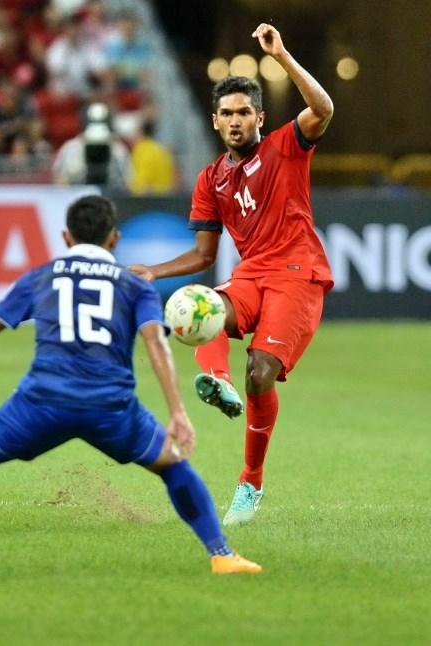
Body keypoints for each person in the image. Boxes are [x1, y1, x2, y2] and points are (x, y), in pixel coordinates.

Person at [0, 195, 261, 577]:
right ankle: (222, 555)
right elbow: (156, 342)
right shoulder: (134, 286)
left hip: (40, 404)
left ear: (66, 238)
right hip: (111, 408)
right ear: (114, 239)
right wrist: (177, 411)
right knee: (174, 467)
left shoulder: (41, 278)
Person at [129, 24, 334, 526]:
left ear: (260, 118)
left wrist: (282, 55)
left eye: (245, 112)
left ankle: (250, 484)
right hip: (251, 274)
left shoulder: (286, 147)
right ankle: (217, 382)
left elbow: (324, 109)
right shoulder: (211, 178)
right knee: (201, 304)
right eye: (228, 113)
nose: (237, 120)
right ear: (216, 122)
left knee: (261, 371)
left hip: (297, 273)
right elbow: (203, 254)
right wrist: (153, 271)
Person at [52, 102, 130, 187]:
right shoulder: (70, 149)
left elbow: (126, 183)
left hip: (110, 197)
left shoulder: (118, 151)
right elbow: (59, 181)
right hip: (78, 196)